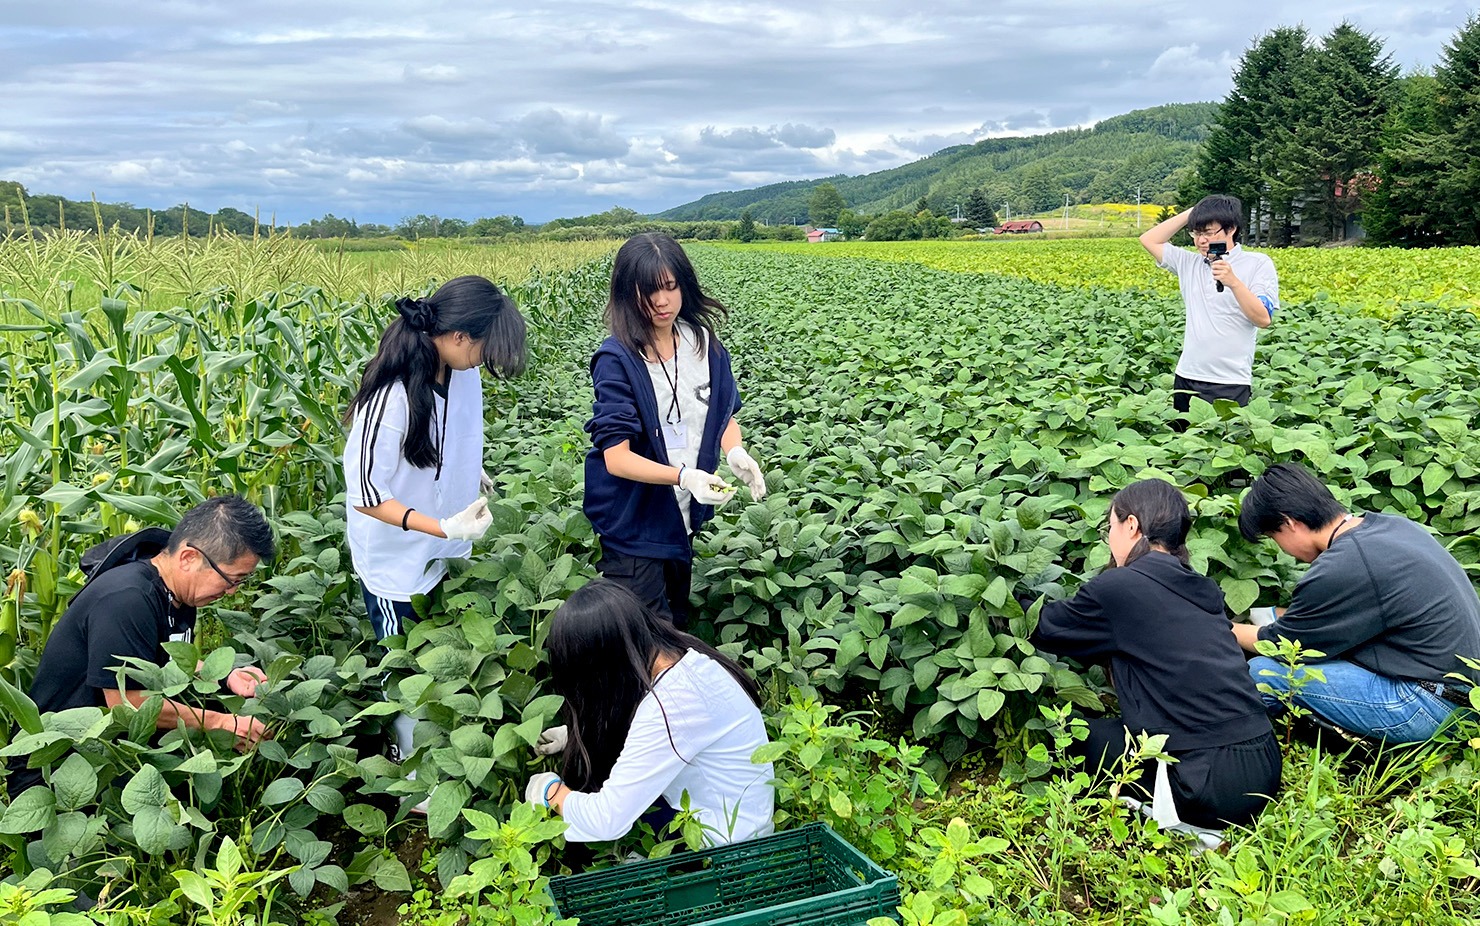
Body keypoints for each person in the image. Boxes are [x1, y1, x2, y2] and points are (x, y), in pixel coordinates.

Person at [343, 275, 528, 763]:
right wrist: (442, 526)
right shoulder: (391, 396)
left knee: (434, 653)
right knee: (403, 664)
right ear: (459, 337)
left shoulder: (461, 374)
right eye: (484, 349)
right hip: (396, 560)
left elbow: (447, 438)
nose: (485, 362)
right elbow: (366, 493)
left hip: (437, 550)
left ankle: (437, 749)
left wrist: (470, 473)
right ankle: (407, 763)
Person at [1030, 479, 1281, 829]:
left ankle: (1179, 820)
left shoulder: (1120, 587)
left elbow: (1044, 627)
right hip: (1265, 767)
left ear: (1131, 525)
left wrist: (1004, 598)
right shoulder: (1201, 586)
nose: (1108, 538)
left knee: (1069, 734)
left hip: (1206, 788)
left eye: (1110, 526)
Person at [7, 496, 275, 796]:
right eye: (231, 579)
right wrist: (222, 723)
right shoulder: (127, 599)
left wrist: (226, 676)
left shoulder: (176, 592)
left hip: (108, 749)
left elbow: (159, 658)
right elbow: (128, 703)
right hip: (55, 768)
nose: (232, 591)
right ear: (188, 558)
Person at [583, 233, 767, 628]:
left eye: (671, 287)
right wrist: (684, 477)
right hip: (634, 522)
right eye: (649, 290)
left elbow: (721, 416)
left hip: (681, 518)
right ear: (627, 292)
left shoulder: (703, 344)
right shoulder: (616, 358)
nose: (662, 301)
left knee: (676, 619)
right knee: (650, 637)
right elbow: (616, 458)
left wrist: (735, 451)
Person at [1233, 463, 1480, 742]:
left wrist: (1220, 627)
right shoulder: (1392, 527)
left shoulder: (1343, 563)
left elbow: (1284, 645)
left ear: (1289, 523)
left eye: (1273, 538)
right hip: (1467, 694)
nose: (1283, 551)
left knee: (1263, 672)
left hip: (1429, 705)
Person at [522, 579, 774, 845]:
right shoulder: (684, 659)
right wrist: (573, 735)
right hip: (742, 817)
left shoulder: (673, 705)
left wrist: (551, 791)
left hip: (724, 848)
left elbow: (605, 820)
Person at [1138, 194, 1279, 419]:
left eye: (1208, 232)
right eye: (1197, 233)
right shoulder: (1189, 262)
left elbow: (1263, 319)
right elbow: (1149, 239)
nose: (1201, 240)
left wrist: (1233, 282)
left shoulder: (1257, 263)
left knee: (1224, 450)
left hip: (1229, 382)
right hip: (1186, 377)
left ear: (1231, 228)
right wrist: (1195, 211)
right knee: (1184, 450)